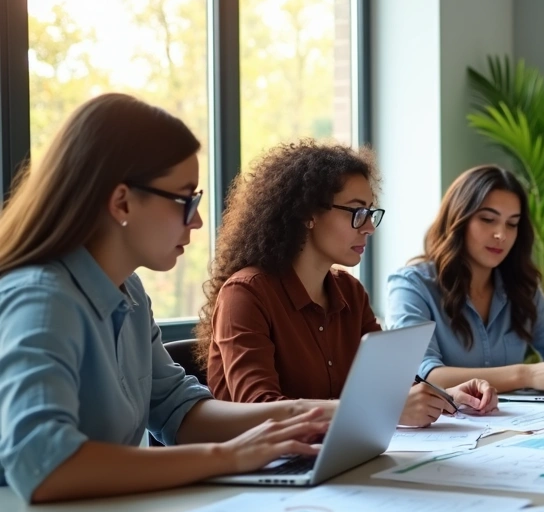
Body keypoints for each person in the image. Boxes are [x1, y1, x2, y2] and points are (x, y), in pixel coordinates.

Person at [0, 94, 346, 512]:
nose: (198, 221)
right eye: (186, 199)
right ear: (121, 202)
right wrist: (225, 457)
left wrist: (302, 415)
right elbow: (45, 466)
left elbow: (177, 408)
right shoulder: (42, 298)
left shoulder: (128, 291)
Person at [196, 141, 496, 425]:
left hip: (336, 461)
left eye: (371, 213)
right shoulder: (246, 294)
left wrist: (448, 397)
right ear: (308, 213)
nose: (368, 228)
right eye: (357, 212)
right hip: (266, 471)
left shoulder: (351, 293)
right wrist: (382, 410)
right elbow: (259, 410)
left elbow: (390, 380)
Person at [386, 165, 544, 393]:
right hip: (446, 425)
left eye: (512, 224)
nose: (501, 234)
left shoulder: (521, 285)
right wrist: (526, 374)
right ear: (458, 219)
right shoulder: (412, 285)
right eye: (488, 219)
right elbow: (424, 376)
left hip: (518, 422)